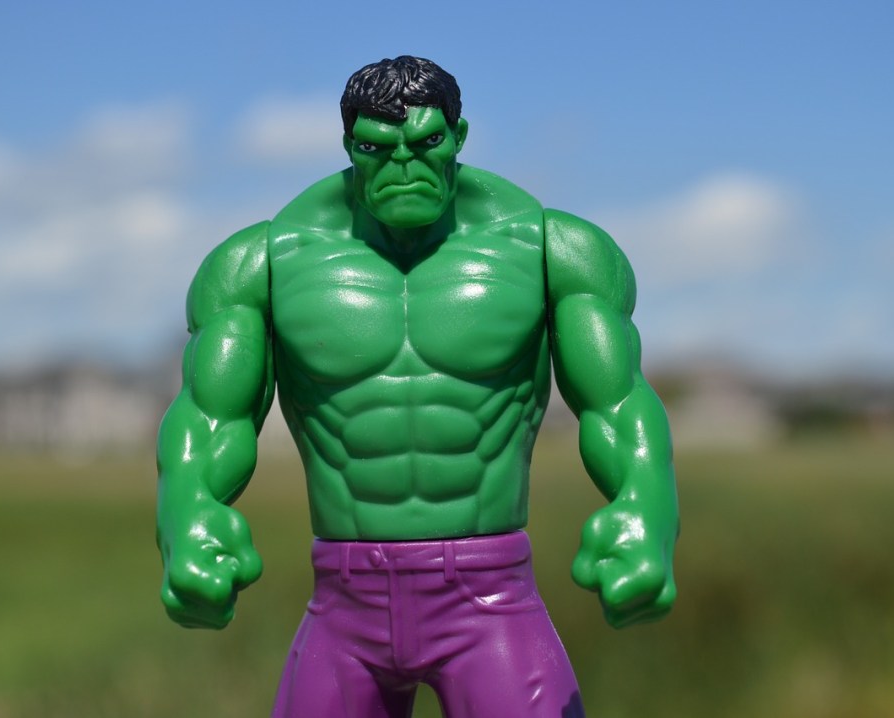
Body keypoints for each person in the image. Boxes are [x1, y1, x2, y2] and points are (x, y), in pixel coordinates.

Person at [156, 55, 678, 718]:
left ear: (459, 136)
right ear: (349, 147)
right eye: (377, 148)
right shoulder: (263, 262)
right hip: (344, 600)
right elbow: (209, 418)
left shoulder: (551, 248)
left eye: (426, 142)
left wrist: (645, 509)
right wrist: (187, 516)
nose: (403, 165)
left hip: (489, 598)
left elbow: (619, 403)